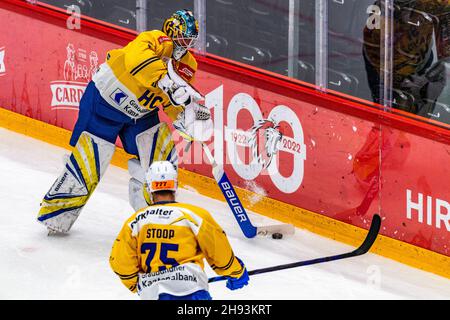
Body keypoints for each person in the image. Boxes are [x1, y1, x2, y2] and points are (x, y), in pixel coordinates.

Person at [37, 9, 212, 233]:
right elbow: (136, 59)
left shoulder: (188, 66)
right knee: (91, 160)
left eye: (190, 41)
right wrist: (166, 81)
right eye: (183, 38)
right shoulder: (154, 39)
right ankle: (56, 215)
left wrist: (184, 116)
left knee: (161, 160)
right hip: (106, 101)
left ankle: (155, 222)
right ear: (171, 30)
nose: (186, 44)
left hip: (141, 114)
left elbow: (171, 100)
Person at [109, 161, 249, 300]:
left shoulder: (135, 221)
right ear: (175, 185)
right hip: (192, 291)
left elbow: (120, 262)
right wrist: (236, 272)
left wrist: (138, 284)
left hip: (154, 295)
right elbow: (219, 252)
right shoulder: (195, 215)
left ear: (149, 188)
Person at [363, 0, 450, 118]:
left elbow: (447, 58)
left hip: (417, 69)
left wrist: (431, 78)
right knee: (376, 116)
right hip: (376, 60)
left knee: (410, 123)